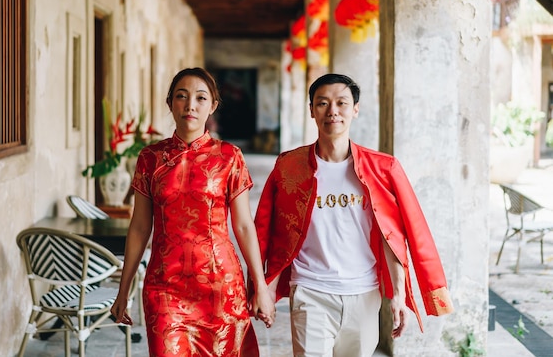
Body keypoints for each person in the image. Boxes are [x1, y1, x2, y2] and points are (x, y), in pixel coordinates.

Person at [252, 73, 454, 357]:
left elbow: (394, 237)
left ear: (355, 109)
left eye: (342, 103)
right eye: (322, 103)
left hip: (364, 294)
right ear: (312, 110)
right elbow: (270, 231)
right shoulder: (289, 167)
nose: (332, 111)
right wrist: (266, 289)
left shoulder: (383, 169)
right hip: (311, 290)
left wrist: (397, 294)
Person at [111, 67, 274, 356]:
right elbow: (138, 227)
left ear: (212, 106)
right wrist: (123, 290)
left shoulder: (229, 157)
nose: (190, 105)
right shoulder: (150, 159)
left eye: (200, 98)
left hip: (221, 288)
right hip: (164, 288)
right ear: (170, 103)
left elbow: (244, 226)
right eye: (181, 96)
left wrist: (260, 285)